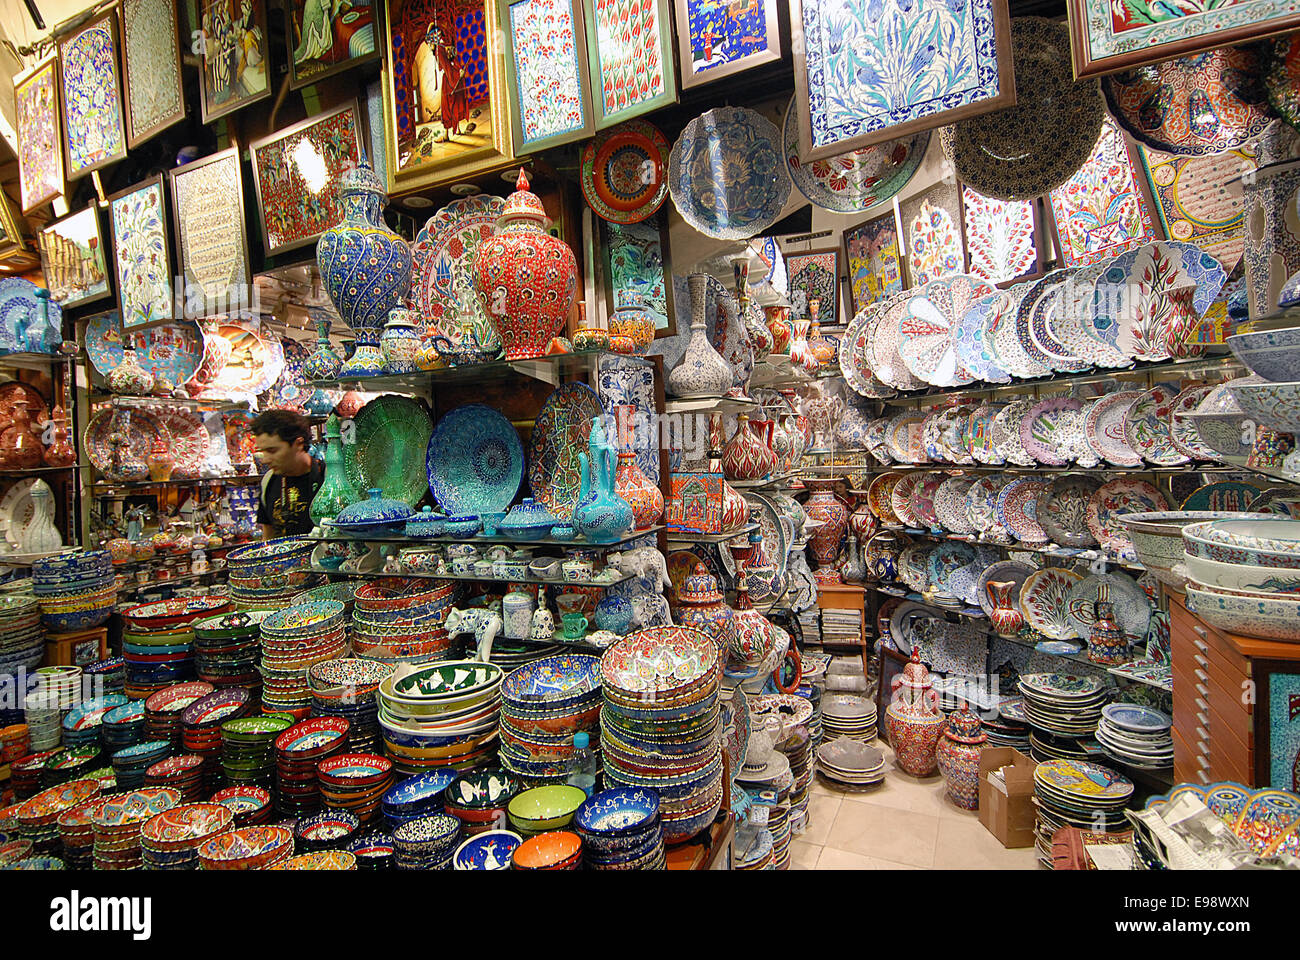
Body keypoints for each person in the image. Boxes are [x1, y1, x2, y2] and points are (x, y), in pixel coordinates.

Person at [252, 410, 323, 537]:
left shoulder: (327, 477)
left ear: (299, 444)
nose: (265, 459)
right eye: (263, 451)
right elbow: (268, 536)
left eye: (272, 450)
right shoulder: (269, 480)